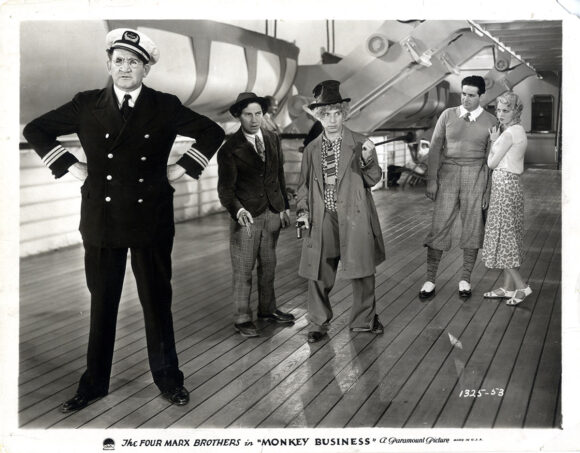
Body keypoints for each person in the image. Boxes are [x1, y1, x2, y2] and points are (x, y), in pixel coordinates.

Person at [23, 28, 225, 413]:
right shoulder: (86, 104)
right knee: (102, 304)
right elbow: (36, 129)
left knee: (156, 301)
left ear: (146, 69)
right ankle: (93, 385)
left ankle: (169, 380)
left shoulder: (164, 105)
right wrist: (71, 166)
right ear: (108, 64)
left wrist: (183, 168)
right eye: (118, 60)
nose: (125, 68)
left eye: (134, 61)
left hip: (150, 217)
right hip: (102, 218)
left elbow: (211, 131)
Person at [296, 80, 386, 343]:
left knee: (362, 270)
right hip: (322, 216)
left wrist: (368, 160)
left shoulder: (361, 143)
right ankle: (317, 323)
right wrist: (302, 212)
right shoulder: (312, 148)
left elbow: (373, 180)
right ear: (319, 116)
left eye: (337, 113)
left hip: (355, 216)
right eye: (326, 114)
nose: (332, 120)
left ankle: (363, 320)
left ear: (343, 114)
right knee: (318, 272)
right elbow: (302, 186)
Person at [217, 92, 295, 338]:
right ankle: (242, 318)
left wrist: (283, 207)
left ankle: (267, 310)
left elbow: (279, 177)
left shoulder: (272, 139)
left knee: (269, 266)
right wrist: (238, 210)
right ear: (239, 116)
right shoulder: (230, 149)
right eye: (248, 114)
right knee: (243, 269)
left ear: (264, 114)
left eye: (258, 114)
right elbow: (225, 190)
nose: (254, 119)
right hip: (247, 217)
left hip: (272, 212)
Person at [420, 75, 497, 299]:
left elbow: (491, 159)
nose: (466, 98)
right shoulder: (447, 115)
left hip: (476, 174)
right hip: (448, 174)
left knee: (473, 226)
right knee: (439, 225)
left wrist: (488, 190)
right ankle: (429, 279)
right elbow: (435, 148)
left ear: (481, 96)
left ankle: (465, 279)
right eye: (463, 93)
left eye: (471, 95)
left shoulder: (491, 122)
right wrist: (432, 179)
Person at [481, 92, 532, 305]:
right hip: (510, 185)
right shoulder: (517, 130)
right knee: (508, 234)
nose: (500, 114)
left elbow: (491, 164)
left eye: (506, 110)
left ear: (516, 111)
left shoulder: (509, 133)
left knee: (504, 236)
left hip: (503, 185)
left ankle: (522, 287)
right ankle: (507, 288)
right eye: (499, 110)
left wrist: (493, 141)